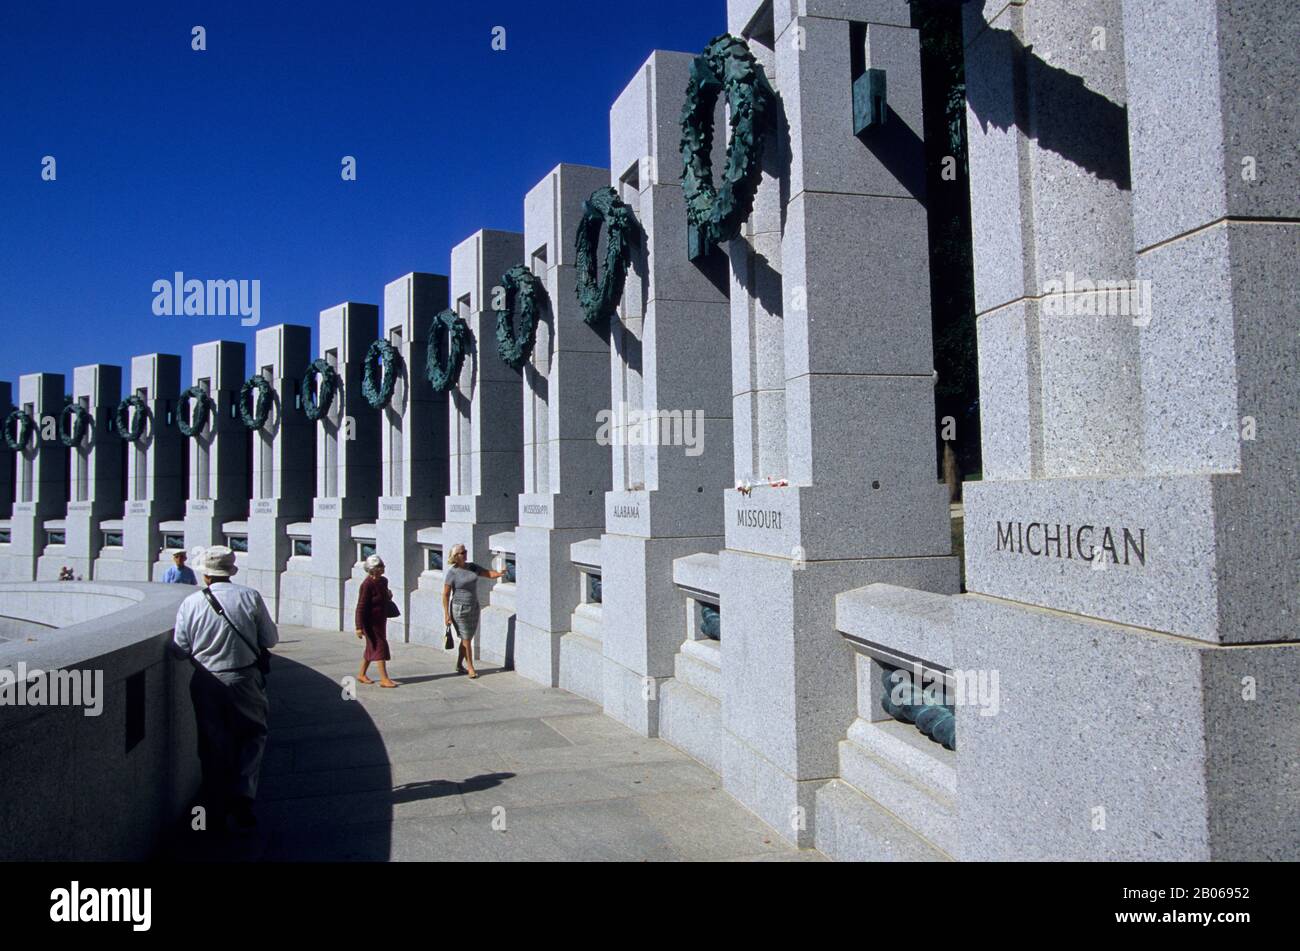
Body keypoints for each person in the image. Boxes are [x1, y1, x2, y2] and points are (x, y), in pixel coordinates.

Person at [172, 545, 277, 832]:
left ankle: (214, 806)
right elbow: (270, 639)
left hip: (206, 681)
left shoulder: (191, 604)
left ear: (205, 575)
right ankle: (243, 797)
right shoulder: (249, 597)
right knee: (253, 735)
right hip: (245, 679)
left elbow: (180, 650)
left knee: (211, 742)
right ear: (230, 572)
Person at [442, 544, 505, 679]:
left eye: (465, 552)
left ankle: (459, 664)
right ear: (455, 556)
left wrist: (500, 573)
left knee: (467, 638)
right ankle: (470, 667)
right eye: (462, 553)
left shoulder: (472, 567)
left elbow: (488, 574)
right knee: (466, 639)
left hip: (473, 606)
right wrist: (446, 614)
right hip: (459, 609)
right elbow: (446, 595)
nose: (465, 554)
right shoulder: (452, 573)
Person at [354, 554, 397, 688]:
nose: (382, 568)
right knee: (380, 645)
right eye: (379, 566)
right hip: (369, 622)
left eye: (382, 566)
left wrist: (388, 595)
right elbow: (360, 606)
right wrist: (359, 627)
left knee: (371, 647)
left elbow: (384, 595)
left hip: (380, 619)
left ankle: (361, 674)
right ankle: (384, 678)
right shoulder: (366, 585)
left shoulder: (383, 581)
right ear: (372, 569)